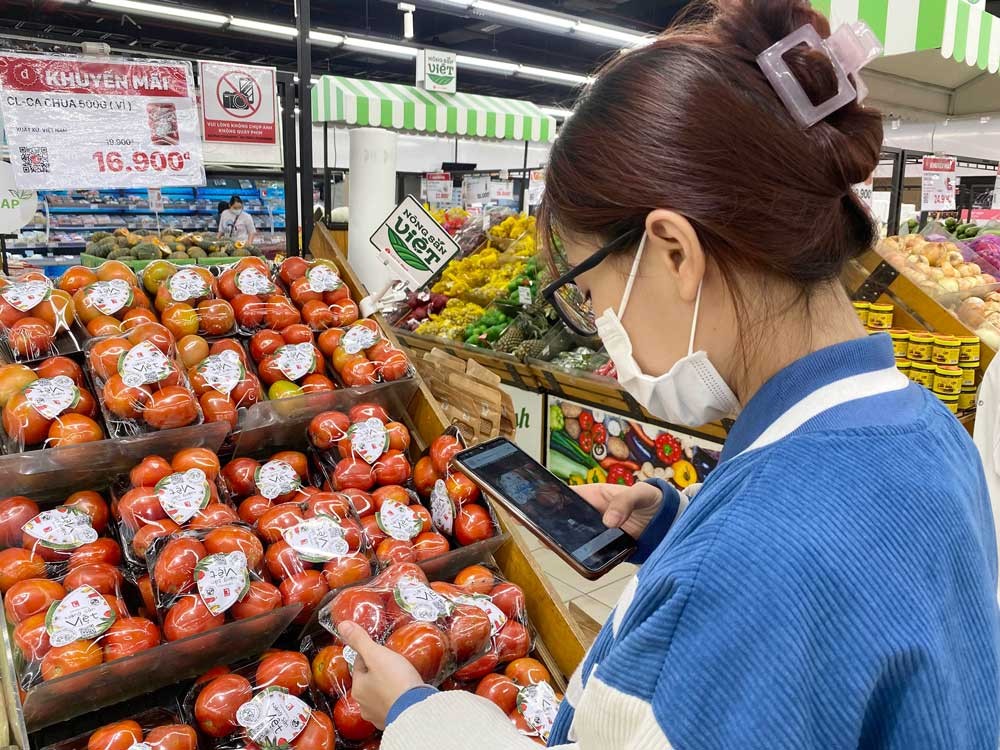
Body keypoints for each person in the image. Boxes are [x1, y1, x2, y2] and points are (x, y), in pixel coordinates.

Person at [337, 0, 1000, 747]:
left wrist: (421, 715)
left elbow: (770, 582)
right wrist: (684, 523)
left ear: (674, 253)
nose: (604, 328)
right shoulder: (927, 428)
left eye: (590, 291)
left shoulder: (752, 567)